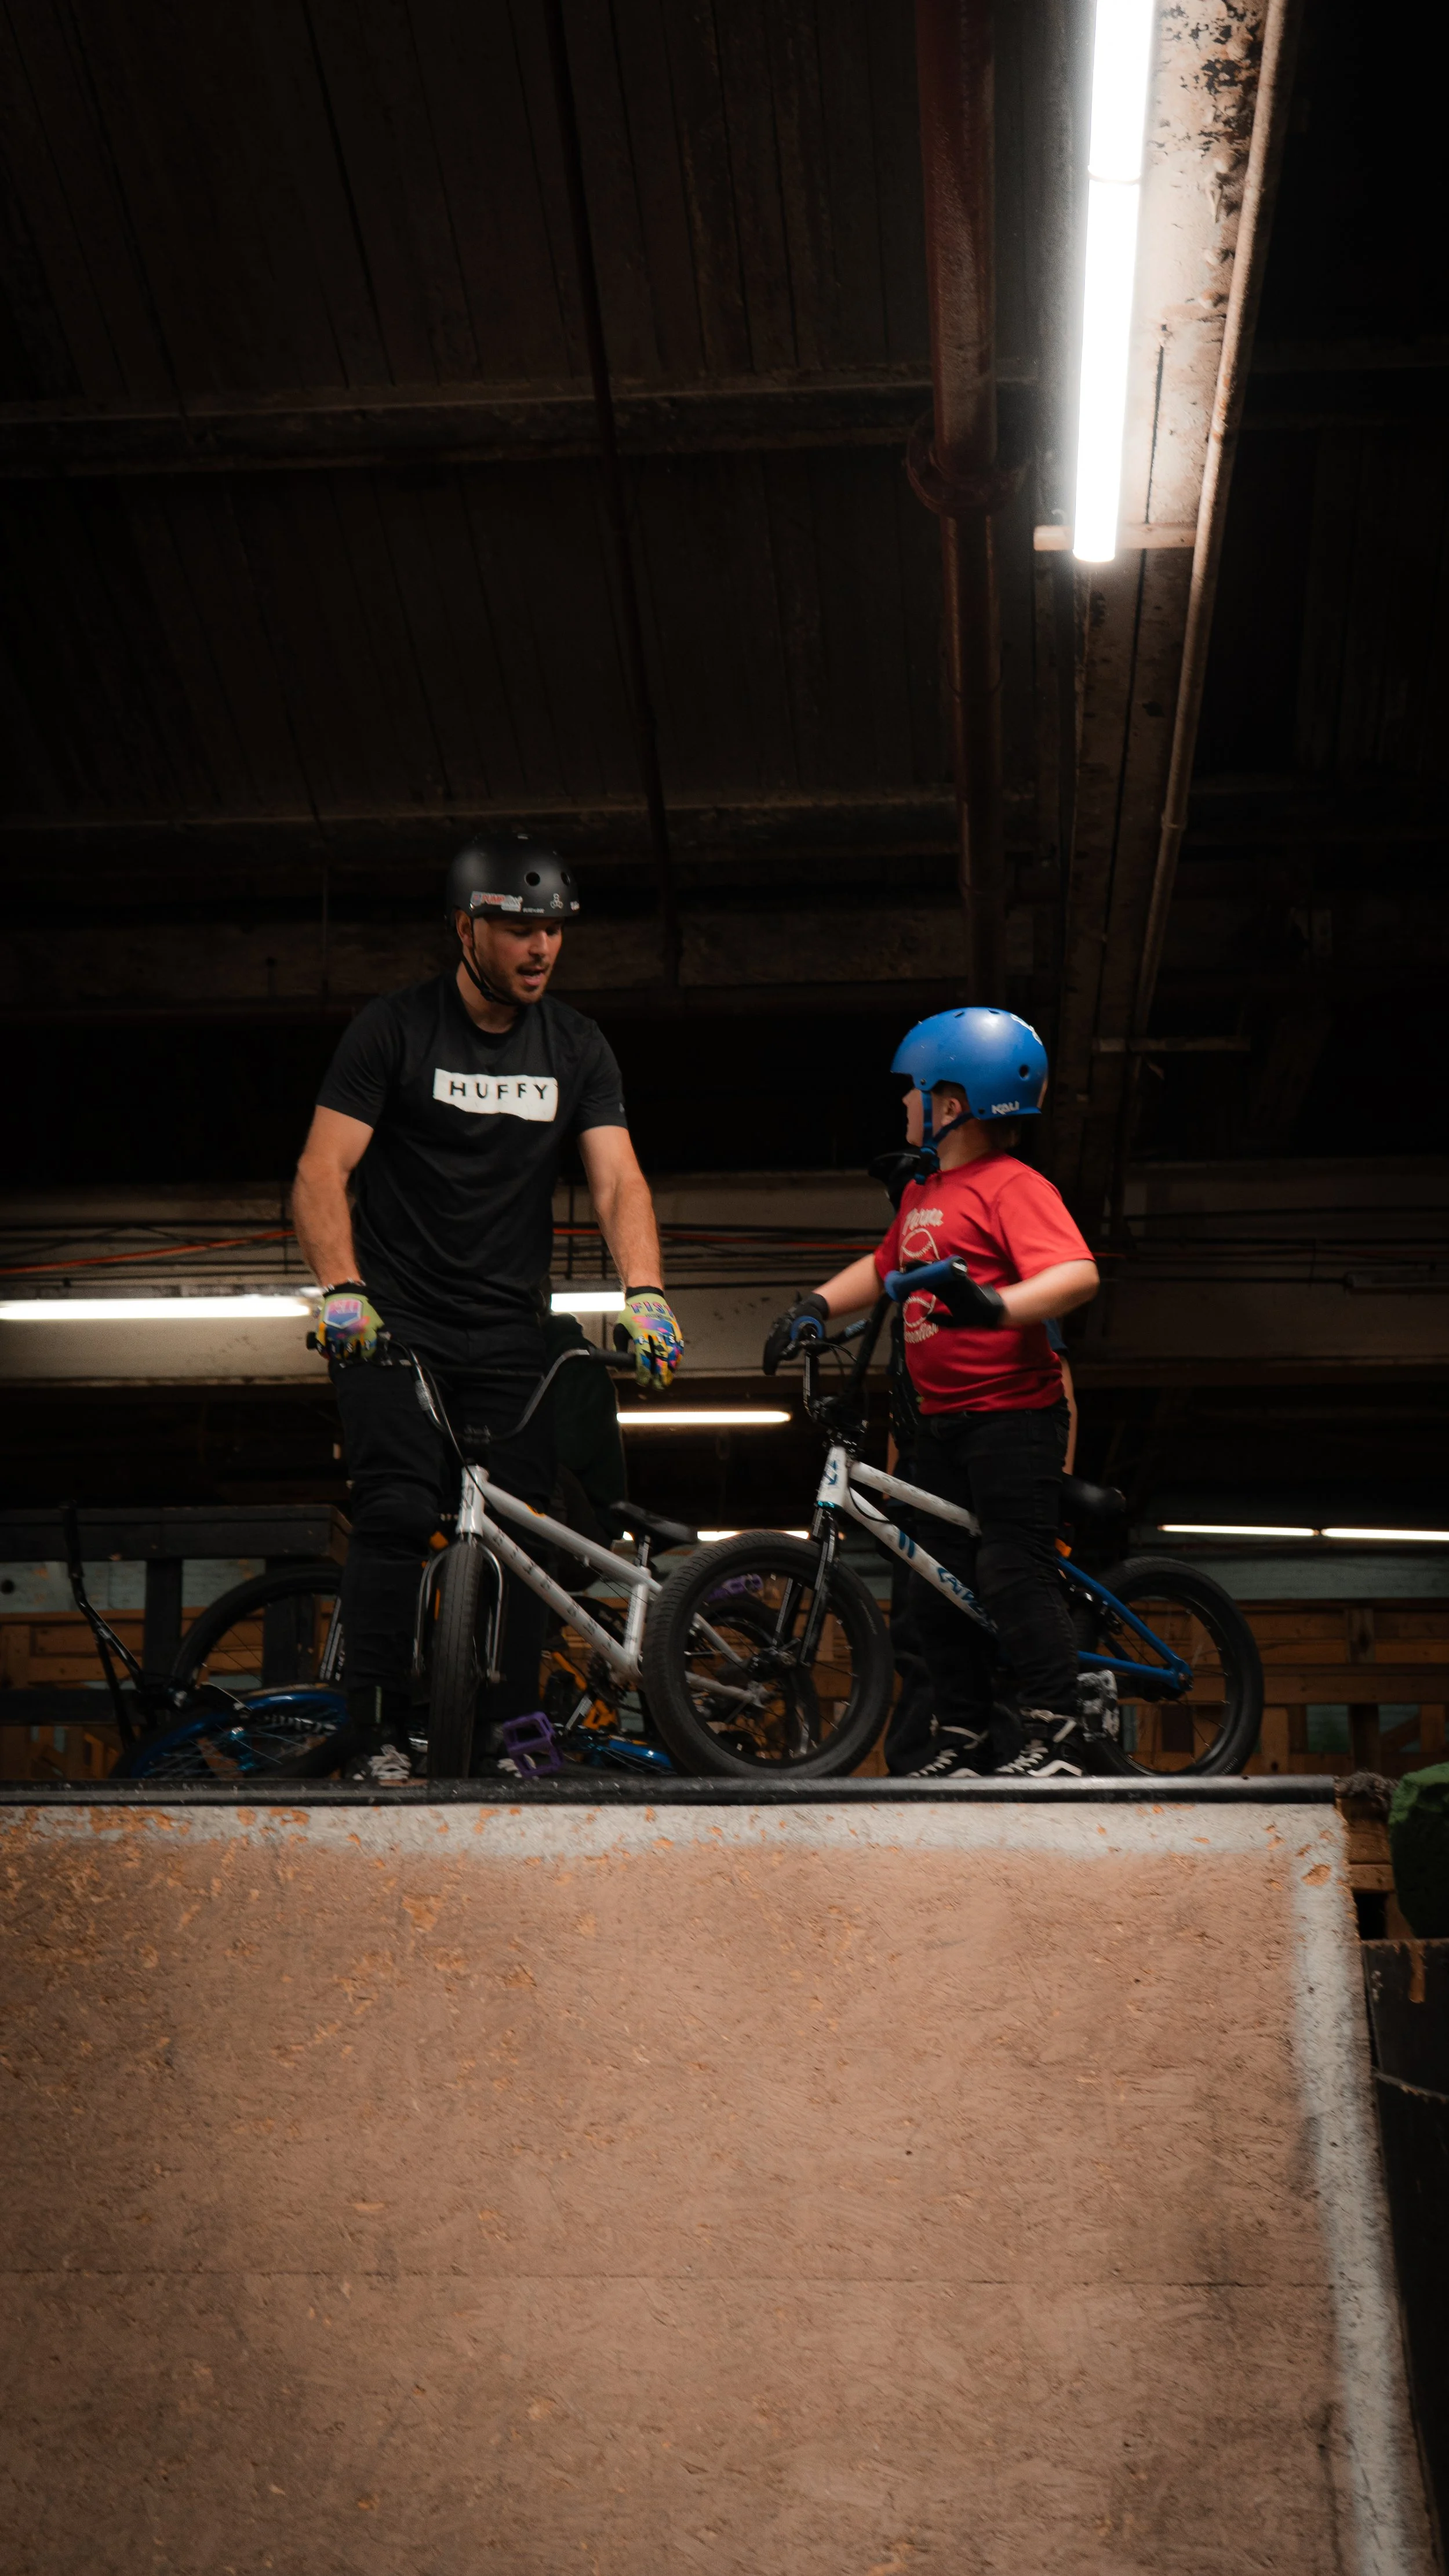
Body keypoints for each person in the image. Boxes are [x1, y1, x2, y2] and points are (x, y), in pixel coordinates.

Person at [292, 836, 682, 1782]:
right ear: (466, 928)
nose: (539, 945)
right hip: (397, 1321)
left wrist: (646, 1291)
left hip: (511, 1330)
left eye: (551, 927)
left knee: (525, 1524)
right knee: (393, 1510)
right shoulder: (393, 1031)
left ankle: (515, 1734)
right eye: (517, 926)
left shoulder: (578, 1046)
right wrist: (343, 1290)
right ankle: (376, 1730)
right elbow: (320, 1172)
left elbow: (618, 1178)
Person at [765, 1007, 1099, 1779]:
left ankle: (1060, 1735)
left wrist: (1001, 1305)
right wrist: (813, 1305)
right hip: (942, 1425)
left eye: (911, 1093)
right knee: (933, 1587)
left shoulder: (1012, 1186)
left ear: (951, 1103)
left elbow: (1079, 1272)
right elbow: (884, 1269)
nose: (903, 1106)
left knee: (1012, 1570)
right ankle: (964, 1738)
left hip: (1013, 1416)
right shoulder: (924, 1194)